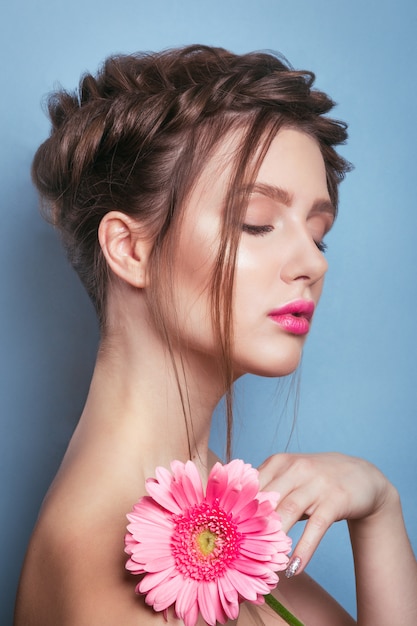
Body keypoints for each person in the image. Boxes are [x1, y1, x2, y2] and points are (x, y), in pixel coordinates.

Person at [14, 45, 417, 626]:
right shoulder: (106, 568)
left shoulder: (215, 518)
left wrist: (379, 509)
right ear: (131, 249)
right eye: (256, 222)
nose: (313, 262)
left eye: (318, 234)